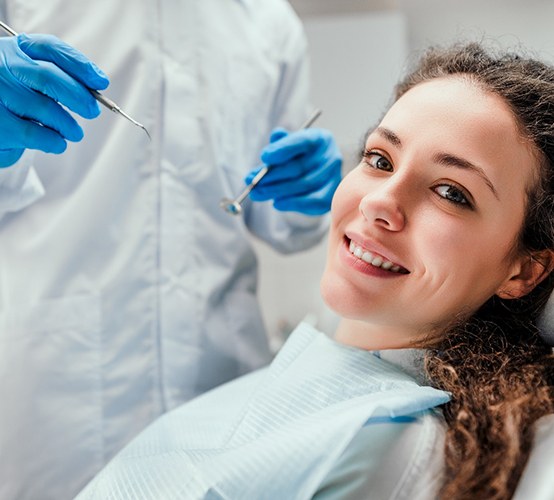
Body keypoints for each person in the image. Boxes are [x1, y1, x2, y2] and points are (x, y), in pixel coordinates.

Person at [75, 42, 554, 500]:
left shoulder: (379, 446)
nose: (378, 201)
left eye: (451, 192)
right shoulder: (320, 391)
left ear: (524, 271)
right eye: (379, 159)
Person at [0, 2, 343, 499]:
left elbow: (282, 223)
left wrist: (306, 191)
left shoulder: (269, 21)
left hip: (223, 381)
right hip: (54, 400)